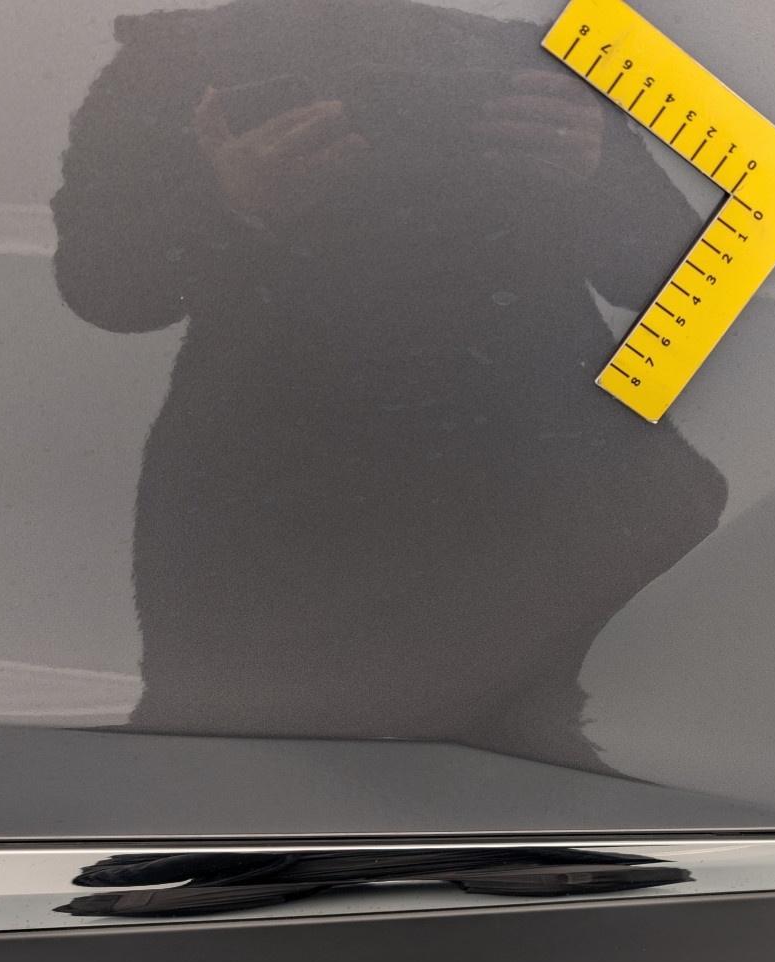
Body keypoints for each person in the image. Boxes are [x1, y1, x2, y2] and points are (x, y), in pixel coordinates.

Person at [52, 0, 728, 769]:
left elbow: (675, 277)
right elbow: (102, 287)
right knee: (230, 772)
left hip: (525, 502)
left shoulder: (534, 58)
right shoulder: (177, 61)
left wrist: (597, 177)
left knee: (516, 775)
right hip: (269, 507)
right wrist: (227, 201)